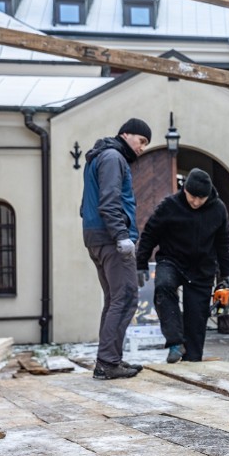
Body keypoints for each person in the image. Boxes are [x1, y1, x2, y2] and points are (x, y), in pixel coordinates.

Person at [135, 168, 229, 363]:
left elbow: (224, 242)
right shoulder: (169, 206)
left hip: (202, 268)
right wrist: (141, 264)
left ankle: (193, 361)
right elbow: (150, 233)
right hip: (172, 261)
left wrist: (228, 273)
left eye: (201, 198)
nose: (196, 202)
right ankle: (174, 342)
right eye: (192, 197)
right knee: (164, 286)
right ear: (185, 190)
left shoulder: (218, 209)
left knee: (196, 320)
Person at [81, 117, 151, 380]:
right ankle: (108, 362)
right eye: (141, 141)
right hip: (111, 239)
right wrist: (122, 236)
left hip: (96, 236)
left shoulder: (99, 156)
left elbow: (85, 204)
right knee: (126, 298)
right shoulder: (113, 158)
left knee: (114, 300)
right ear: (125, 134)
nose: (143, 147)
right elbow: (109, 201)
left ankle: (108, 360)